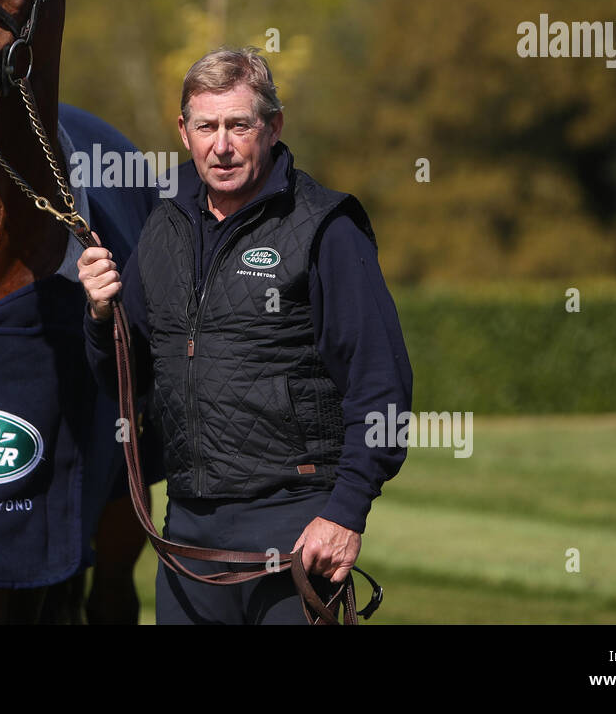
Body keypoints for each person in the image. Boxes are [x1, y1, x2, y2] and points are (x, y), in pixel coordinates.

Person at [77, 46, 413, 625]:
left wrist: (346, 513)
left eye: (239, 125)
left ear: (273, 126)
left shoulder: (326, 227)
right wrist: (100, 316)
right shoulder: (162, 224)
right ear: (184, 132)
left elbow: (380, 383)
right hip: (187, 535)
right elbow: (121, 380)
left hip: (296, 528)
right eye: (206, 126)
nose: (222, 145)